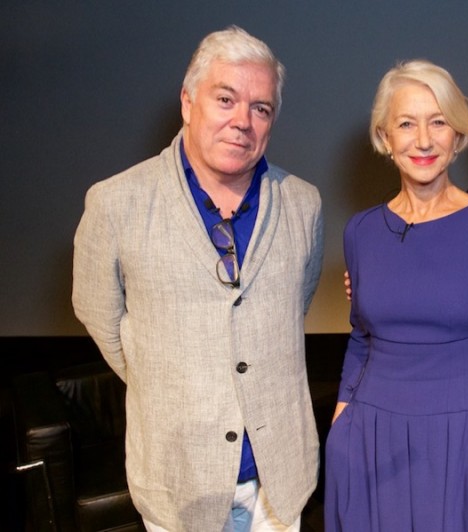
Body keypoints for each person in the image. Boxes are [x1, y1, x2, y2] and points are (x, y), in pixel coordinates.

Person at [72, 26, 323, 532]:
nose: (242, 121)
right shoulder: (116, 203)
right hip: (179, 484)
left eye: (261, 108)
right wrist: (177, 381)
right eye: (225, 99)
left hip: (280, 483)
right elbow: (101, 318)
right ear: (188, 102)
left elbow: (293, 307)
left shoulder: (304, 203)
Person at [324, 60, 468, 532]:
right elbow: (360, 339)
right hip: (371, 438)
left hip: (466, 439)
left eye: (438, 122)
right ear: (385, 137)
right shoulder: (360, 231)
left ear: (457, 135)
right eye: (406, 123)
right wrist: (341, 424)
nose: (423, 140)